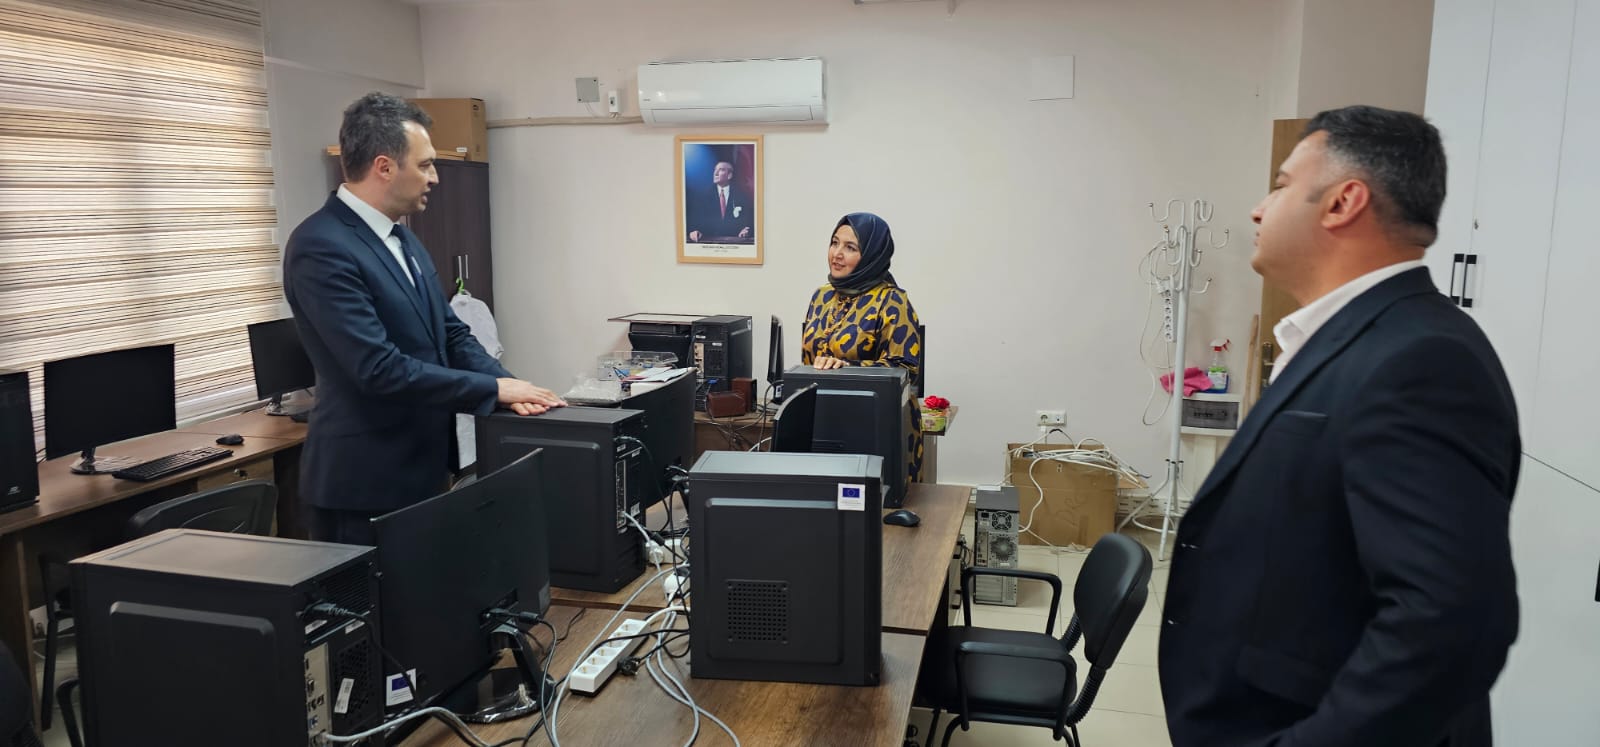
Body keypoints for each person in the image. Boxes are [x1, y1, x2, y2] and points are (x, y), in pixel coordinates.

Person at [1158, 106, 1519, 747]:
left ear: (1343, 202)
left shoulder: (1421, 359)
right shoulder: (1339, 339)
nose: (1258, 210)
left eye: (1280, 185)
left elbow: (1450, 622)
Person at [283, 93, 565, 545]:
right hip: (363, 485)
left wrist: (511, 388)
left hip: (423, 469)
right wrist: (493, 390)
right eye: (426, 165)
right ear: (384, 167)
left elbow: (451, 334)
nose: (435, 177)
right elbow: (377, 368)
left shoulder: (404, 238)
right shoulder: (322, 246)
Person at [801, 212, 925, 484]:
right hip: (827, 420)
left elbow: (904, 370)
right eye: (834, 243)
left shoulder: (892, 301)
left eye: (850, 247)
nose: (837, 254)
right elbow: (810, 362)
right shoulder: (821, 296)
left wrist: (847, 368)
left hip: (878, 429)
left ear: (871, 255)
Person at [686, 160, 753, 242]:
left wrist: (746, 230)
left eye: (721, 170)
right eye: (715, 170)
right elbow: (695, 221)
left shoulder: (741, 196)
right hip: (709, 243)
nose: (715, 173)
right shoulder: (702, 196)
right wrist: (694, 231)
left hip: (733, 243)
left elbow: (748, 222)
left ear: (729, 175)